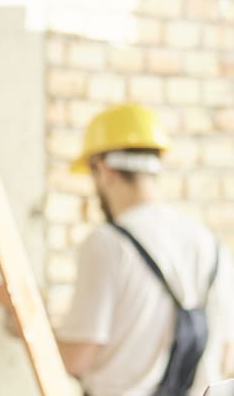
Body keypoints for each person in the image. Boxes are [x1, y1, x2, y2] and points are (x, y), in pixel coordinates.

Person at [56, 103, 234, 396]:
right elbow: (226, 355)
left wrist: (32, 331)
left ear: (104, 169)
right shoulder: (210, 243)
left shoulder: (107, 243)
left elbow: (78, 357)